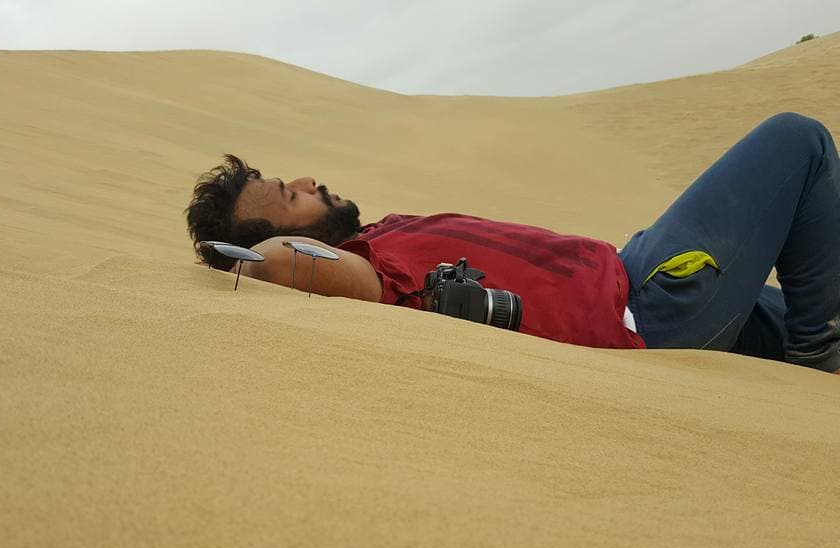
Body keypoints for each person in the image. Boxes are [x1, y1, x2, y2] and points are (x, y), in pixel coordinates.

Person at [185, 112, 840, 375]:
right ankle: (816, 353)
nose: (307, 182)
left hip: (633, 268)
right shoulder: (362, 271)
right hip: (650, 308)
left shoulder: (378, 235)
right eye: (288, 196)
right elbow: (288, 268)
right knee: (796, 142)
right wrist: (237, 255)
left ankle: (817, 342)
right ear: (286, 233)